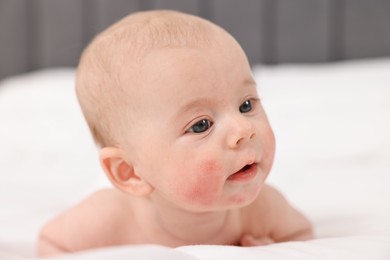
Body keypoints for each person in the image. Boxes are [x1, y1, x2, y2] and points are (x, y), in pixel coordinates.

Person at [37, 10, 313, 256]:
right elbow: (51, 244)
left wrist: (275, 251)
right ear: (130, 172)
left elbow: (302, 237)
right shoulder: (107, 219)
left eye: (246, 104)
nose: (244, 129)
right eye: (201, 125)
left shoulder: (263, 209)